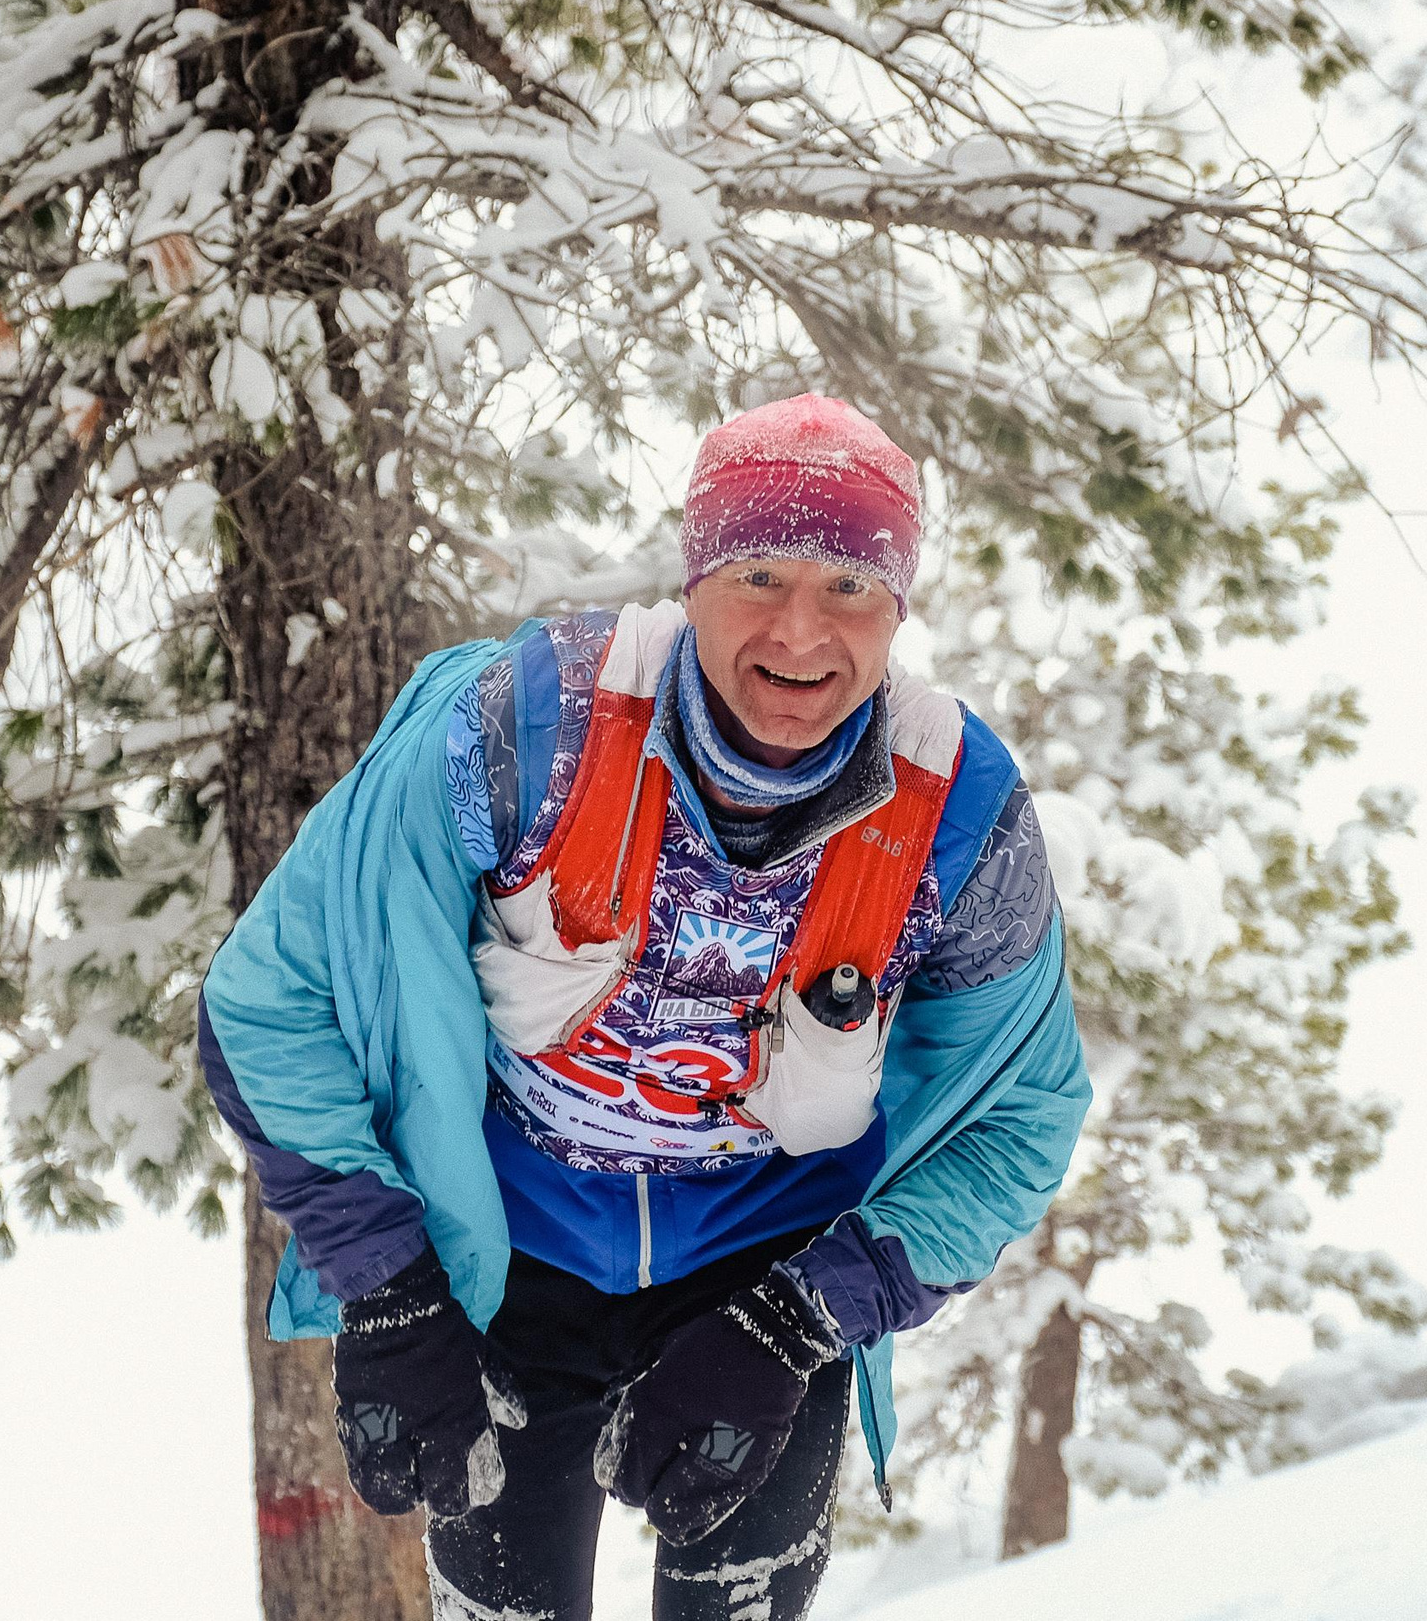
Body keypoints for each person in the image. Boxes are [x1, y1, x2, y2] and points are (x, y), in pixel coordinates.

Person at [199, 393, 1088, 1620]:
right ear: (694, 577)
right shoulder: (527, 729)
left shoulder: (958, 813)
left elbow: (1020, 1122)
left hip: (761, 1280)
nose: (799, 630)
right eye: (759, 574)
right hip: (511, 1259)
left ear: (898, 607)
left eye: (849, 587)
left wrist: (802, 1319)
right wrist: (389, 1281)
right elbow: (270, 1001)